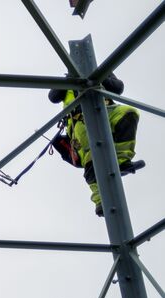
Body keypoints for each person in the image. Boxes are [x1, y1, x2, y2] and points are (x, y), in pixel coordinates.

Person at [48, 74, 140, 217]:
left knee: (128, 113)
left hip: (105, 110)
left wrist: (99, 76)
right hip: (80, 120)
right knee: (93, 154)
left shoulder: (102, 72)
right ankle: (100, 200)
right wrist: (70, 79)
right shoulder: (67, 79)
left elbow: (118, 88)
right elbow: (53, 97)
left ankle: (121, 160)